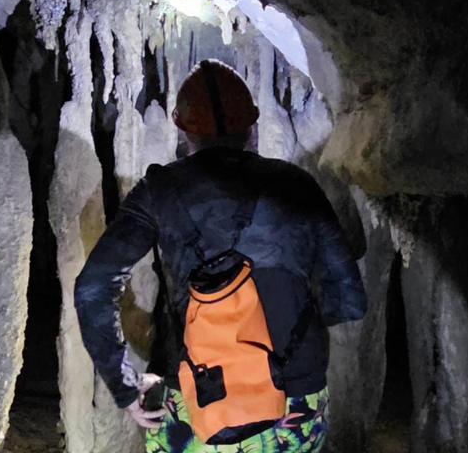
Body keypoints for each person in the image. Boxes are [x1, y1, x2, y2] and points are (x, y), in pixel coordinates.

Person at [75, 59, 367, 453]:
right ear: (252, 125)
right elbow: (349, 298)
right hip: (294, 399)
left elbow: (94, 287)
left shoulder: (158, 192)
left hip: (196, 396)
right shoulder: (297, 185)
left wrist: (124, 386)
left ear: (183, 130)